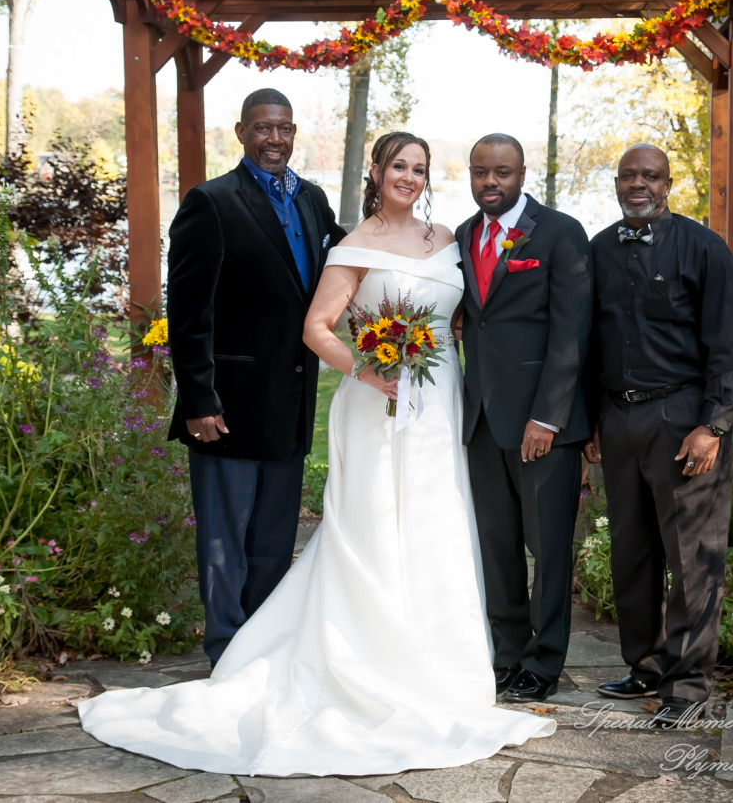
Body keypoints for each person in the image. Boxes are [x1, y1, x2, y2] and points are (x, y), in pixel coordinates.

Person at [78, 132, 555, 775]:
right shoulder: (351, 245)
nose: (409, 178)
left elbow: (467, 313)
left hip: (439, 405)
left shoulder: (446, 239)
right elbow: (316, 327)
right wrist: (366, 368)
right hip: (376, 397)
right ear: (378, 173)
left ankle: (440, 661)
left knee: (436, 523)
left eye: (419, 168)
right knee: (373, 527)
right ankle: (364, 659)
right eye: (398, 167)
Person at [164, 88, 346, 667]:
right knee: (225, 543)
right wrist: (198, 396)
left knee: (272, 543)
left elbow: (352, 260)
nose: (275, 139)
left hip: (290, 403)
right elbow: (188, 313)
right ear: (241, 132)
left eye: (285, 129)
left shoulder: (313, 201)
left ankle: (262, 652)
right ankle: (225, 653)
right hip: (227, 406)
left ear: (295, 134)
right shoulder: (210, 203)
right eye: (264, 128)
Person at [584, 143, 733, 727]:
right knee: (632, 551)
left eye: (649, 176)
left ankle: (689, 685)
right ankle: (645, 665)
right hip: (620, 419)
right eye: (628, 174)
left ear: (668, 183)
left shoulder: (704, 248)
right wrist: (592, 421)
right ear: (617, 182)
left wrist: (714, 424)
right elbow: (590, 345)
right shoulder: (598, 249)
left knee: (693, 555)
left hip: (684, 422)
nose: (637, 184)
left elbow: (728, 342)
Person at [455, 134, 593, 704]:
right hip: (482, 420)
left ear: (521, 173)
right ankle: (506, 654)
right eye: (482, 171)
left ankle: (545, 660)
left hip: (543, 425)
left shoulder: (560, 233)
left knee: (549, 547)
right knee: (498, 546)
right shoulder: (463, 235)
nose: (492, 181)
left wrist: (549, 418)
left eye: (503, 171)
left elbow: (572, 332)